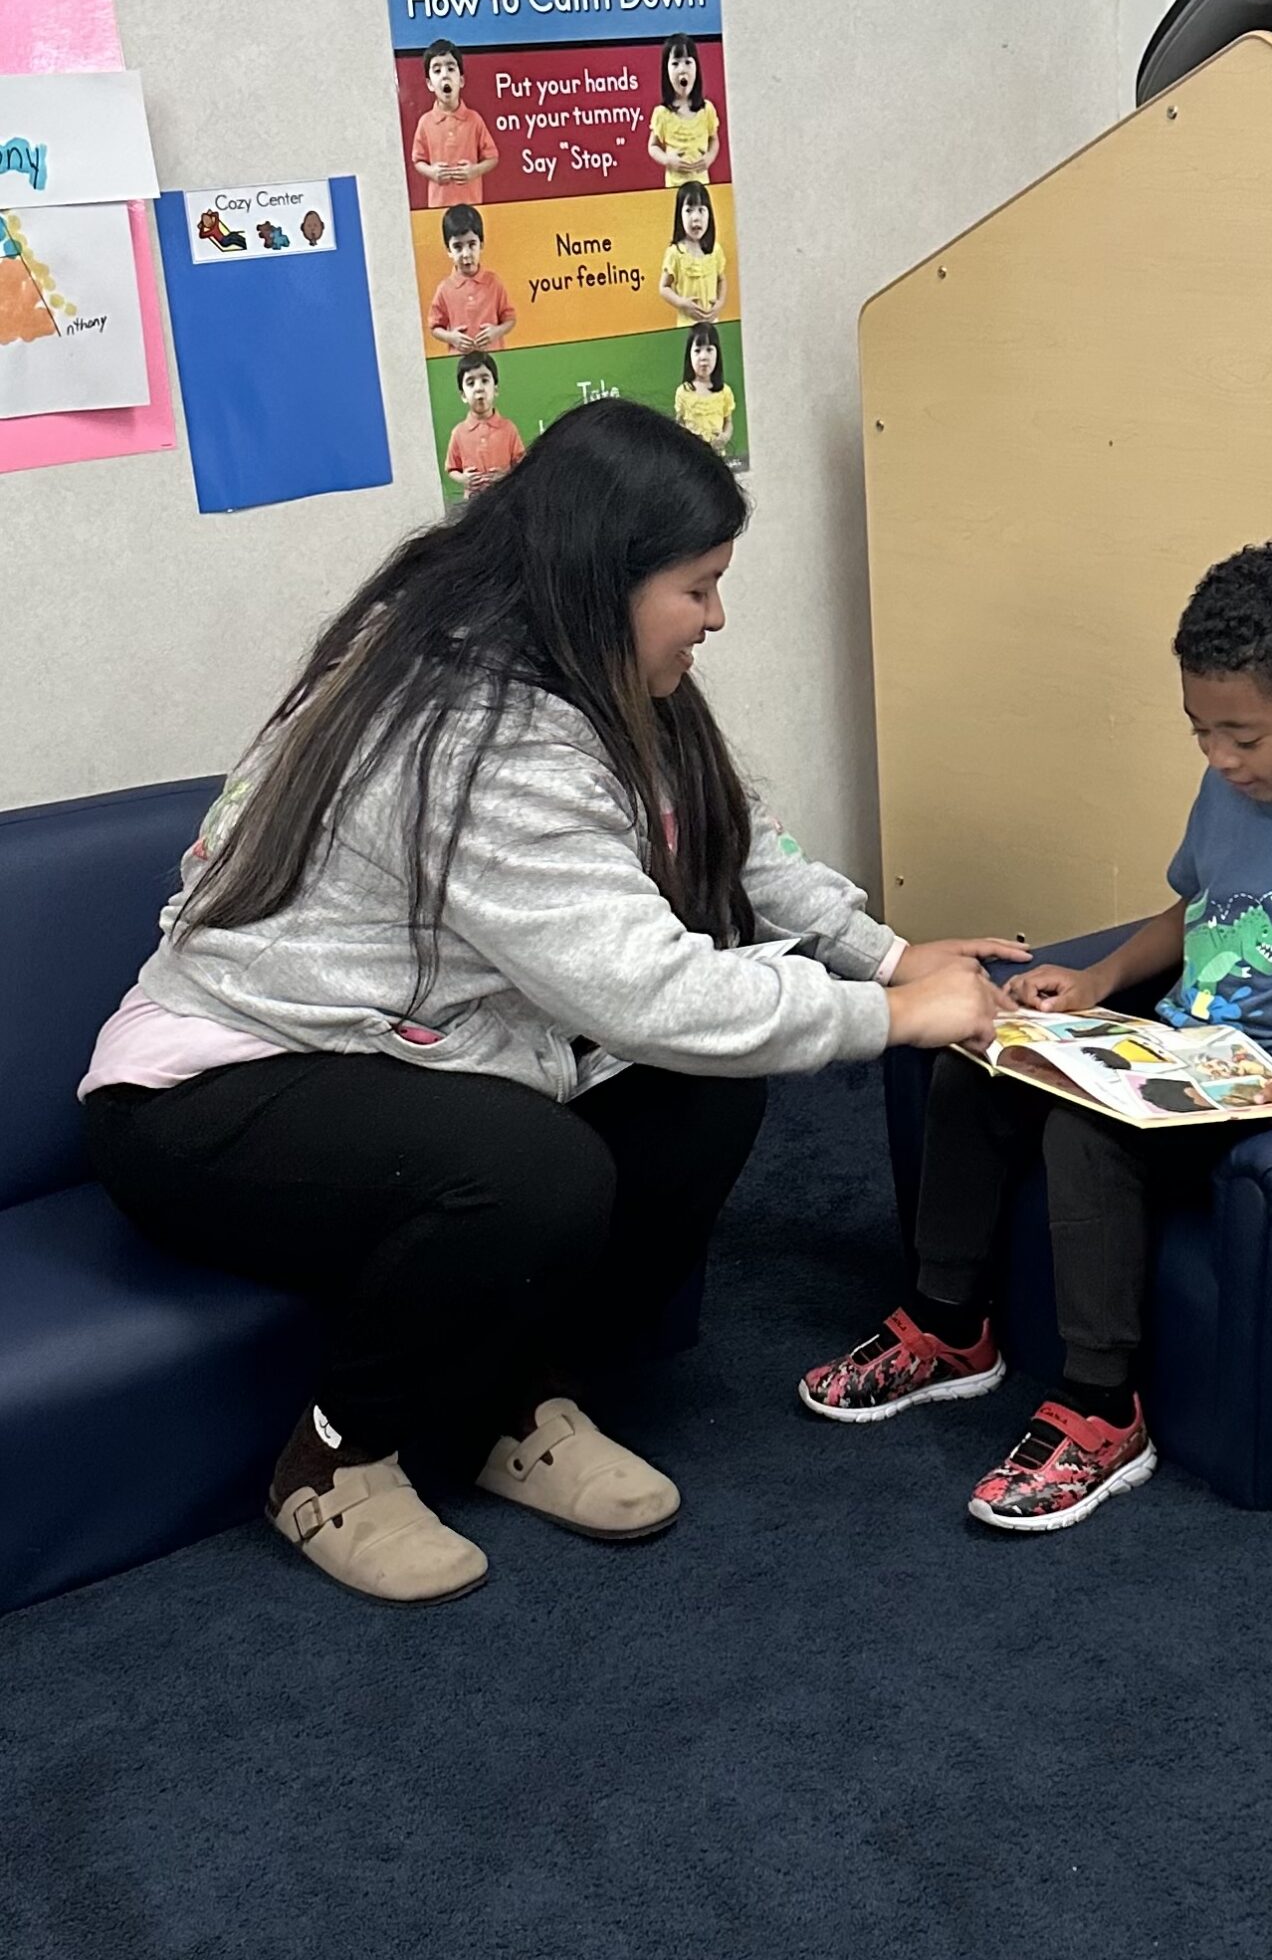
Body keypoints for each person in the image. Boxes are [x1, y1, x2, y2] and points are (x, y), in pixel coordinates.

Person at [82, 404, 1020, 1606]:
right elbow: (651, 991)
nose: (718, 616)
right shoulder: (476, 738)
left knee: (699, 1102)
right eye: (701, 586)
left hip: (420, 1047)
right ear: (607, 578)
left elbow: (728, 836)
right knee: (538, 1167)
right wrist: (892, 1017)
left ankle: (508, 1397)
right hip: (217, 1088)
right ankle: (337, 1458)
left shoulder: (588, 655)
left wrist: (885, 954)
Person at [801, 541, 1272, 1534]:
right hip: (1174, 1049)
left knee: (1089, 1135)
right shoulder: (1233, 790)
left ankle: (1104, 1411)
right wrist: (1099, 980)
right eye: (1200, 733)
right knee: (978, 1058)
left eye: (1242, 737)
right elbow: (1193, 911)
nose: (1220, 761)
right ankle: (948, 1328)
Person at [411, 38, 500, 209]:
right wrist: (432, 172)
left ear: (461, 80)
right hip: (438, 206)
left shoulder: (474, 119)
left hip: (472, 204)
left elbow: (492, 157)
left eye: (451, 68)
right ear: (430, 84)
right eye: (437, 70)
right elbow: (418, 160)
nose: (445, 75)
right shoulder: (425, 122)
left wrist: (474, 171)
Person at [428, 205, 514, 355]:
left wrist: (496, 332)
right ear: (449, 250)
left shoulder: (494, 282)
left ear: (481, 245)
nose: (466, 254)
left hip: (493, 357)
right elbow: (435, 327)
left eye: (471, 245)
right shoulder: (444, 289)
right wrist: (452, 338)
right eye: (457, 247)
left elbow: (510, 319)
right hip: (459, 362)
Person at [444, 351, 526, 495]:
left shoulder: (508, 429)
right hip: (472, 504)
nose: (478, 388)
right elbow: (451, 469)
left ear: (495, 389)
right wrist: (464, 479)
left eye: (485, 380)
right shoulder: (459, 432)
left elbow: (522, 465)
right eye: (470, 383)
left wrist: (505, 476)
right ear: (463, 395)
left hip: (504, 499)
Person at [647, 35, 720, 186]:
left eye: (688, 62)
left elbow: (714, 139)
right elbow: (652, 146)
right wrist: (668, 160)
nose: (682, 69)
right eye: (675, 64)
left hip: (702, 184)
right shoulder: (662, 113)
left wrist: (709, 157)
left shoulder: (707, 109)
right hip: (674, 186)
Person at [658, 180, 725, 324]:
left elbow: (721, 279)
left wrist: (719, 303)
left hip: (712, 322)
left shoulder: (715, 250)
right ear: (679, 216)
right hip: (686, 324)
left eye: (701, 210)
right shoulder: (675, 253)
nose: (695, 218)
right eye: (689, 210)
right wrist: (681, 303)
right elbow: (664, 287)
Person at [673, 321, 735, 455]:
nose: (703, 357)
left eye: (709, 350)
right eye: (697, 351)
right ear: (689, 356)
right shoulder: (683, 392)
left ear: (717, 353)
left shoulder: (724, 392)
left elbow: (728, 422)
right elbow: (679, 424)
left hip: (717, 456)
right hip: (693, 456)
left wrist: (724, 437)